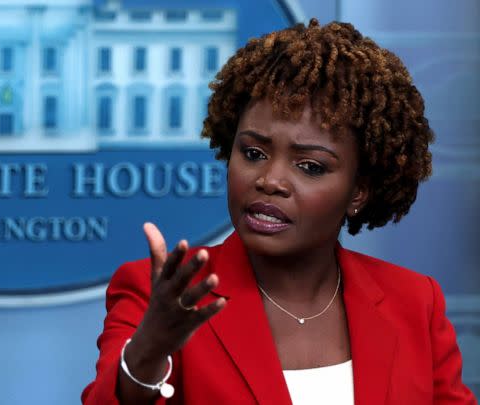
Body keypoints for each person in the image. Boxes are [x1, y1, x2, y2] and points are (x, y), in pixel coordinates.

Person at [81, 19, 477, 404]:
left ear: (358, 191)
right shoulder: (160, 294)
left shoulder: (413, 302)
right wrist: (148, 353)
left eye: (310, 166)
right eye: (253, 153)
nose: (270, 180)